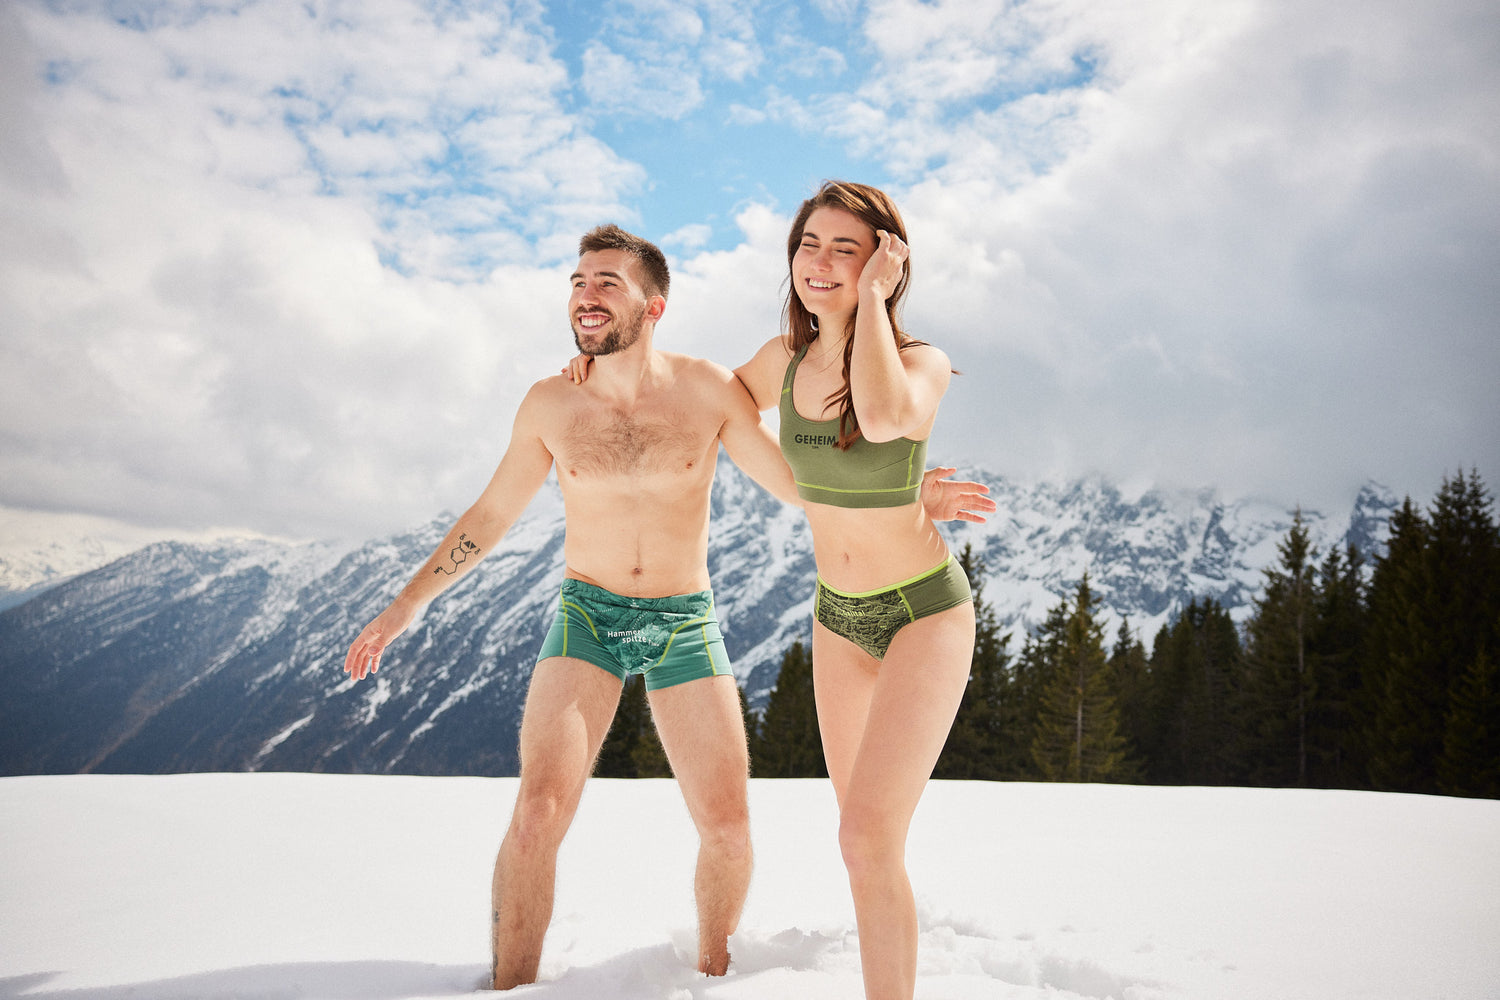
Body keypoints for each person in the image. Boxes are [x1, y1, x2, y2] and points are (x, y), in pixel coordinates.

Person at [343, 224, 991, 990]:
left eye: (607, 283)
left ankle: (711, 974)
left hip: (685, 619)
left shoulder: (707, 392)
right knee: (540, 811)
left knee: (727, 828)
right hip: (586, 616)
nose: (587, 295)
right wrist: (404, 605)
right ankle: (509, 987)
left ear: (653, 308)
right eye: (580, 282)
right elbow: (488, 517)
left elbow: (804, 480)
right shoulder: (551, 402)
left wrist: (915, 491)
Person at [733, 181, 976, 1000]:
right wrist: (602, 363)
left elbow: (877, 418)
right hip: (837, 621)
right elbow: (708, 407)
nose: (823, 262)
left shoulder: (920, 360)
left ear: (885, 260)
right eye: (810, 244)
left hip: (924, 614)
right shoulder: (782, 361)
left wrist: (871, 302)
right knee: (863, 840)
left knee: (869, 837)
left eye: (848, 247)